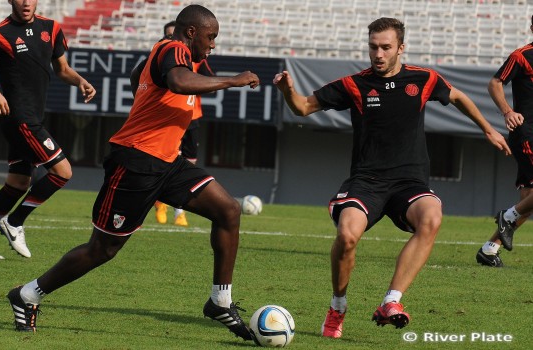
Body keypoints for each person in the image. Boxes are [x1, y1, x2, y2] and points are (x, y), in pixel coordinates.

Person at [6, 4, 259, 341]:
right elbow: (179, 82)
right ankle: (28, 294)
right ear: (192, 32)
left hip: (168, 162)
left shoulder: (175, 54)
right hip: (136, 163)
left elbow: (139, 76)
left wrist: (149, 98)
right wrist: (234, 80)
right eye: (211, 37)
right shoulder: (173, 49)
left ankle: (220, 301)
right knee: (102, 249)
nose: (214, 45)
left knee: (228, 210)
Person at [273, 17, 511, 339]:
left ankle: (391, 301)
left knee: (431, 218)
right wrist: (288, 90)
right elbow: (302, 107)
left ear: (401, 47)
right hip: (366, 182)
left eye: (386, 47)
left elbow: (457, 97)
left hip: (409, 182)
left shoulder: (423, 79)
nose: (378, 54)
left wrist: (487, 129)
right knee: (346, 236)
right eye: (373, 47)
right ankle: (338, 307)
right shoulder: (354, 85)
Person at [0, 0, 96, 259]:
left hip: (33, 118)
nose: (25, 2)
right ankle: (15, 222)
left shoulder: (52, 28)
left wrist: (80, 81)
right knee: (62, 171)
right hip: (18, 118)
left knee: (19, 182)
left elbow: (63, 70)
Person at [475, 15, 533, 267]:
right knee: (523, 206)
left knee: (528, 199)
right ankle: (507, 217)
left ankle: (489, 249)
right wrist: (508, 111)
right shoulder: (521, 56)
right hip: (527, 132)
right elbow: (495, 83)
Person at [153, 20, 216, 227]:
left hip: (192, 117)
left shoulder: (196, 58)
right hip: (169, 117)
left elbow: (211, 83)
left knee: (189, 164)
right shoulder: (164, 53)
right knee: (168, 160)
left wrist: (194, 81)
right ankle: (162, 204)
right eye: (168, 35)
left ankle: (179, 210)